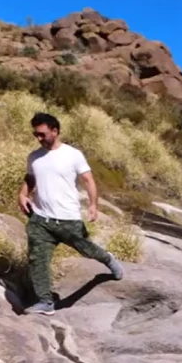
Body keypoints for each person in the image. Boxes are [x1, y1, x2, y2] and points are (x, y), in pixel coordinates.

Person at [18, 112, 123, 316]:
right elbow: (30, 179)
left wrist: (93, 205)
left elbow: (88, 180)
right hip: (40, 219)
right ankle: (46, 302)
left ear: (55, 131)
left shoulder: (73, 154)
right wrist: (22, 195)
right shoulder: (34, 157)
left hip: (68, 219)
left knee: (87, 250)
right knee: (37, 259)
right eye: (36, 135)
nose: (39, 139)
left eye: (42, 134)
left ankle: (108, 259)